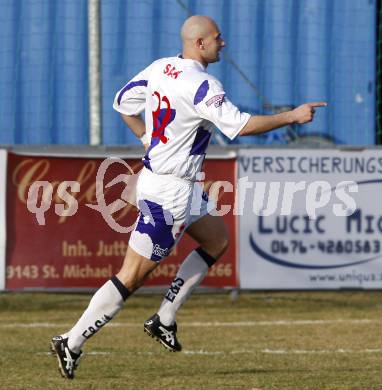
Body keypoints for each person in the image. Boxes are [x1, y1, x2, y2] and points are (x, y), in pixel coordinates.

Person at [50, 15, 326, 379]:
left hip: (166, 181)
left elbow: (122, 102)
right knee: (131, 277)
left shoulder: (161, 67)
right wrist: (291, 116)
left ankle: (164, 317)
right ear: (199, 44)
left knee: (217, 240)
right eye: (217, 38)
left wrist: (147, 138)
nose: (222, 43)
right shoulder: (202, 85)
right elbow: (239, 125)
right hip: (171, 192)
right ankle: (71, 341)